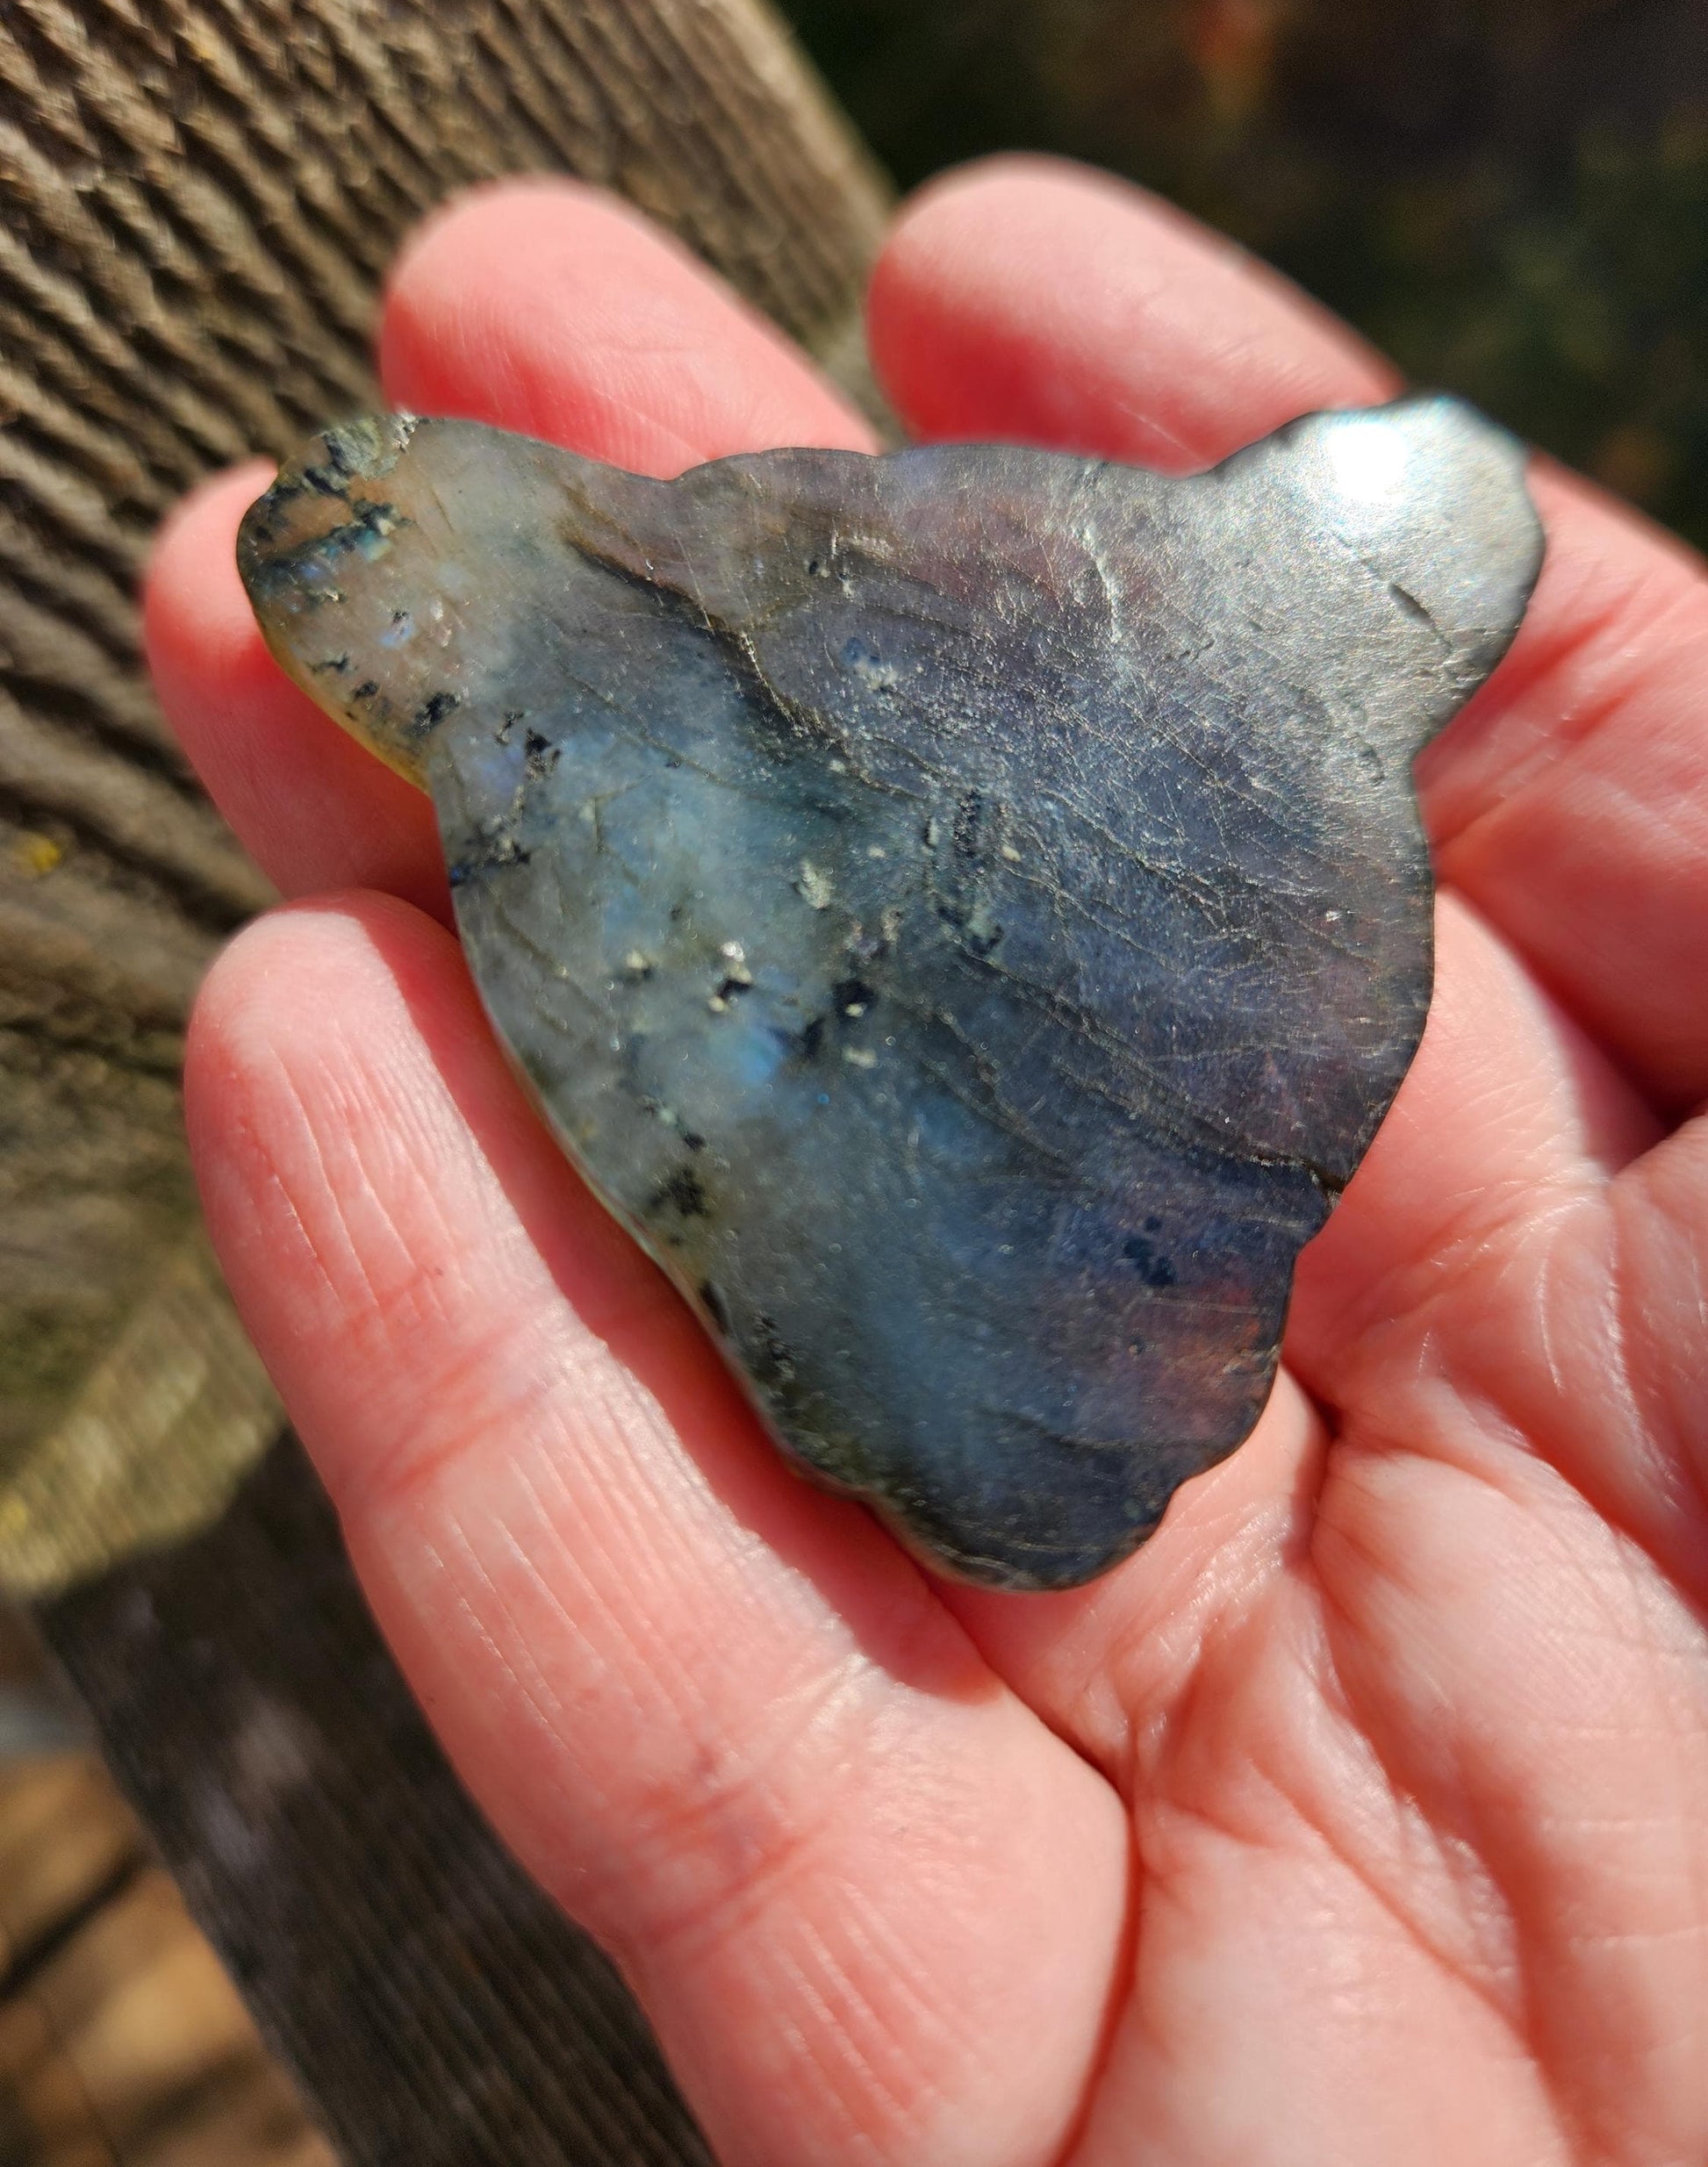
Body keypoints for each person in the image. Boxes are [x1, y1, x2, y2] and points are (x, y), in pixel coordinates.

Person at [144, 157, 1708, 2167]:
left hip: (939, 1222)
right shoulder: (1064, 604)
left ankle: (1002, 1402)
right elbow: (742, 599)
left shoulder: (1269, 813)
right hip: (777, 1005)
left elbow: (1205, 1173)